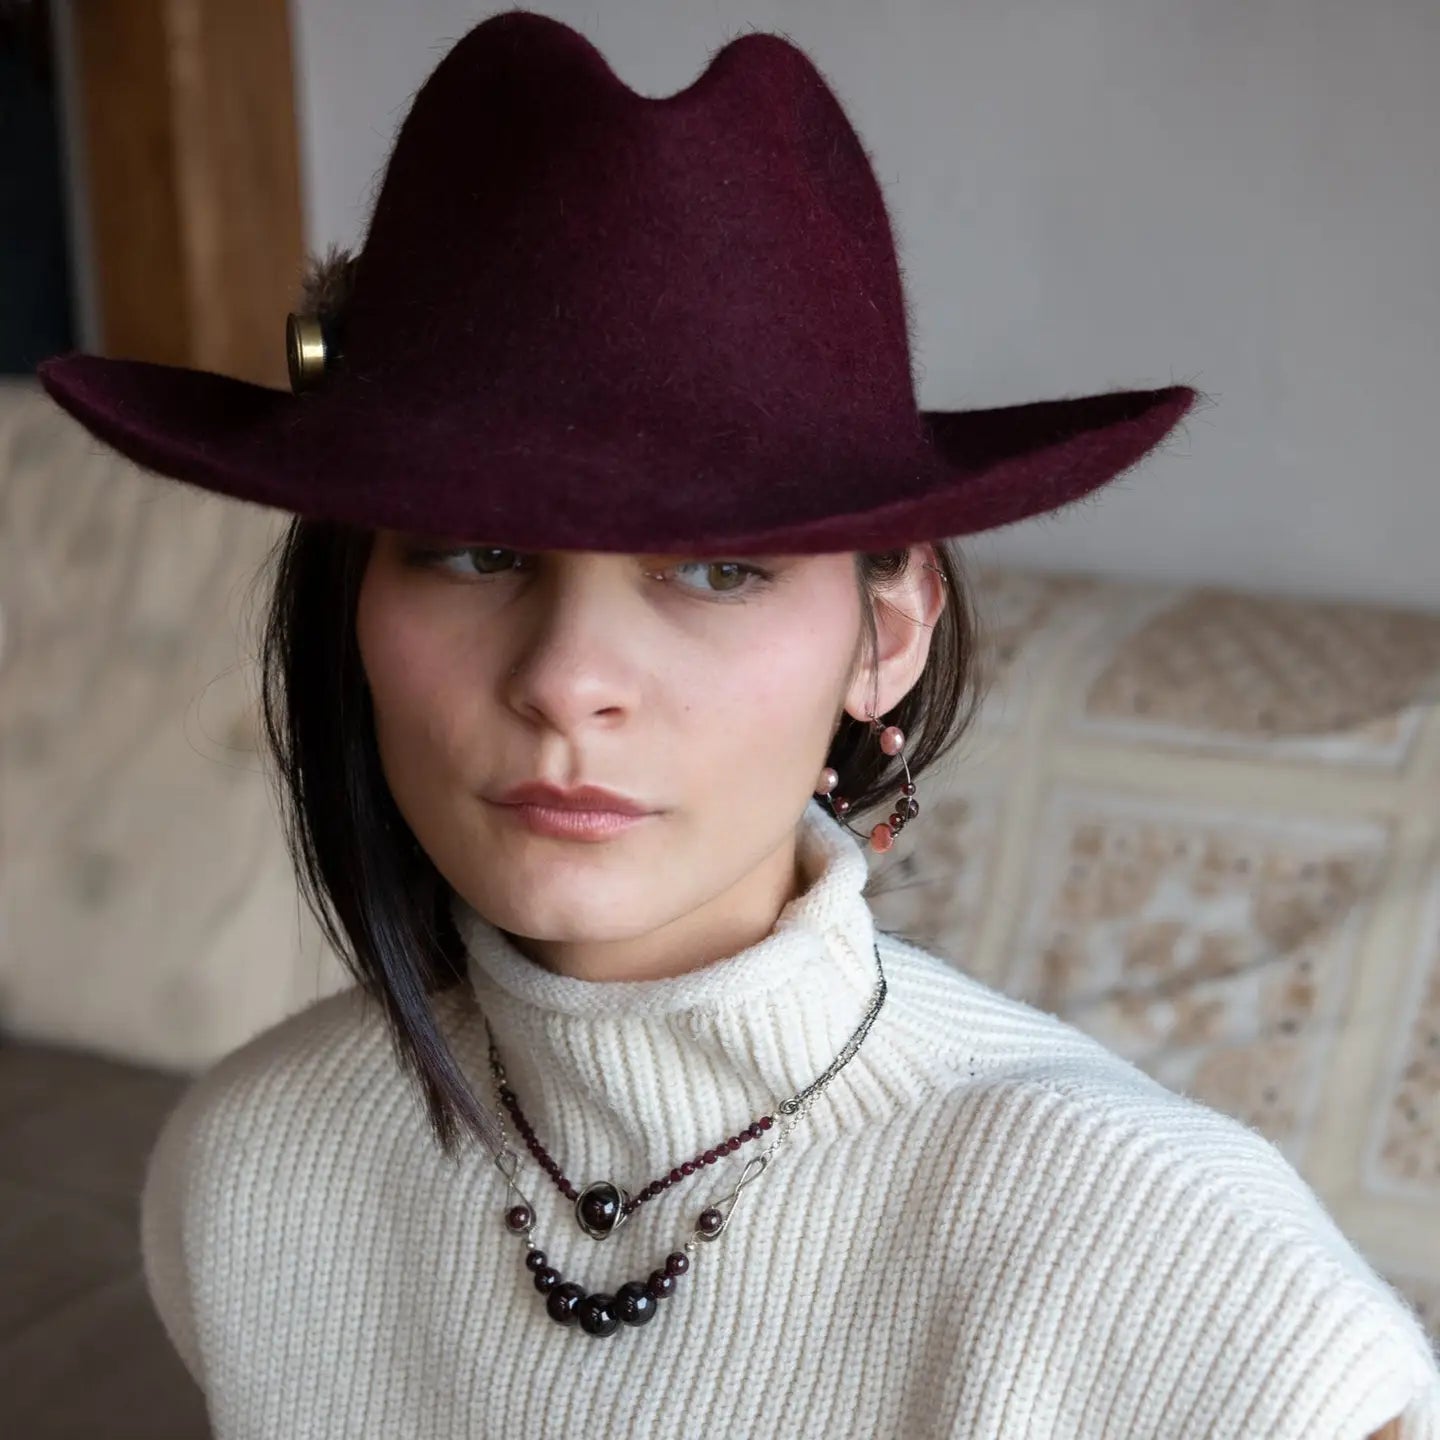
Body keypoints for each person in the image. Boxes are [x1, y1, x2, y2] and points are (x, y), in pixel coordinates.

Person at [36, 10, 1439, 1438]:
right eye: (472, 551)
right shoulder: (246, 1171)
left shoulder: (1169, 1267)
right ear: (355, 603)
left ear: (887, 632)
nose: (570, 678)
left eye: (719, 570)